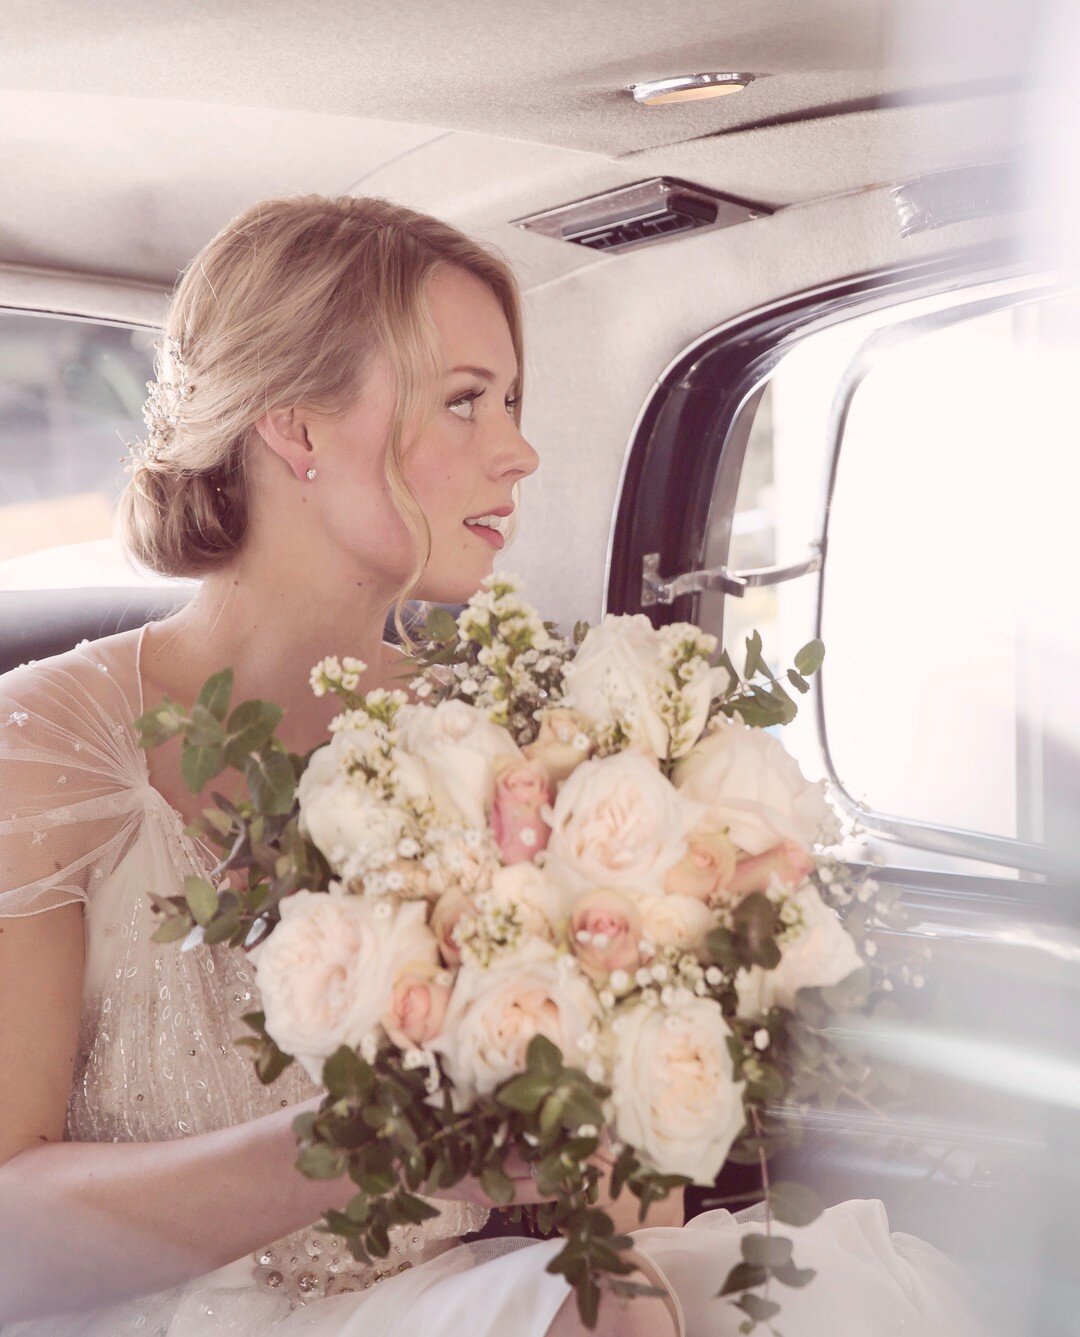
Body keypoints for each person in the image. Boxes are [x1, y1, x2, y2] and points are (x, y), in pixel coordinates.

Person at [0, 194, 982, 1336]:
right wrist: (352, 1145)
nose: (517, 452)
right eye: (464, 402)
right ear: (296, 428)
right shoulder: (48, 746)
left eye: (511, 402)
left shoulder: (515, 746)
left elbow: (617, 1202)